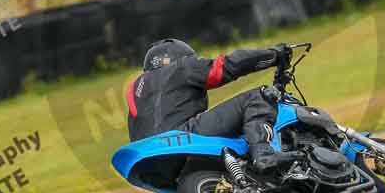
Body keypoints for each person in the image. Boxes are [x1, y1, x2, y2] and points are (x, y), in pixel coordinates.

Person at [126, 39, 293, 172]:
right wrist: (273, 55)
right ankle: (263, 152)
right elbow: (225, 67)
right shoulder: (181, 67)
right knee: (258, 96)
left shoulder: (135, 90)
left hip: (147, 161)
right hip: (180, 138)